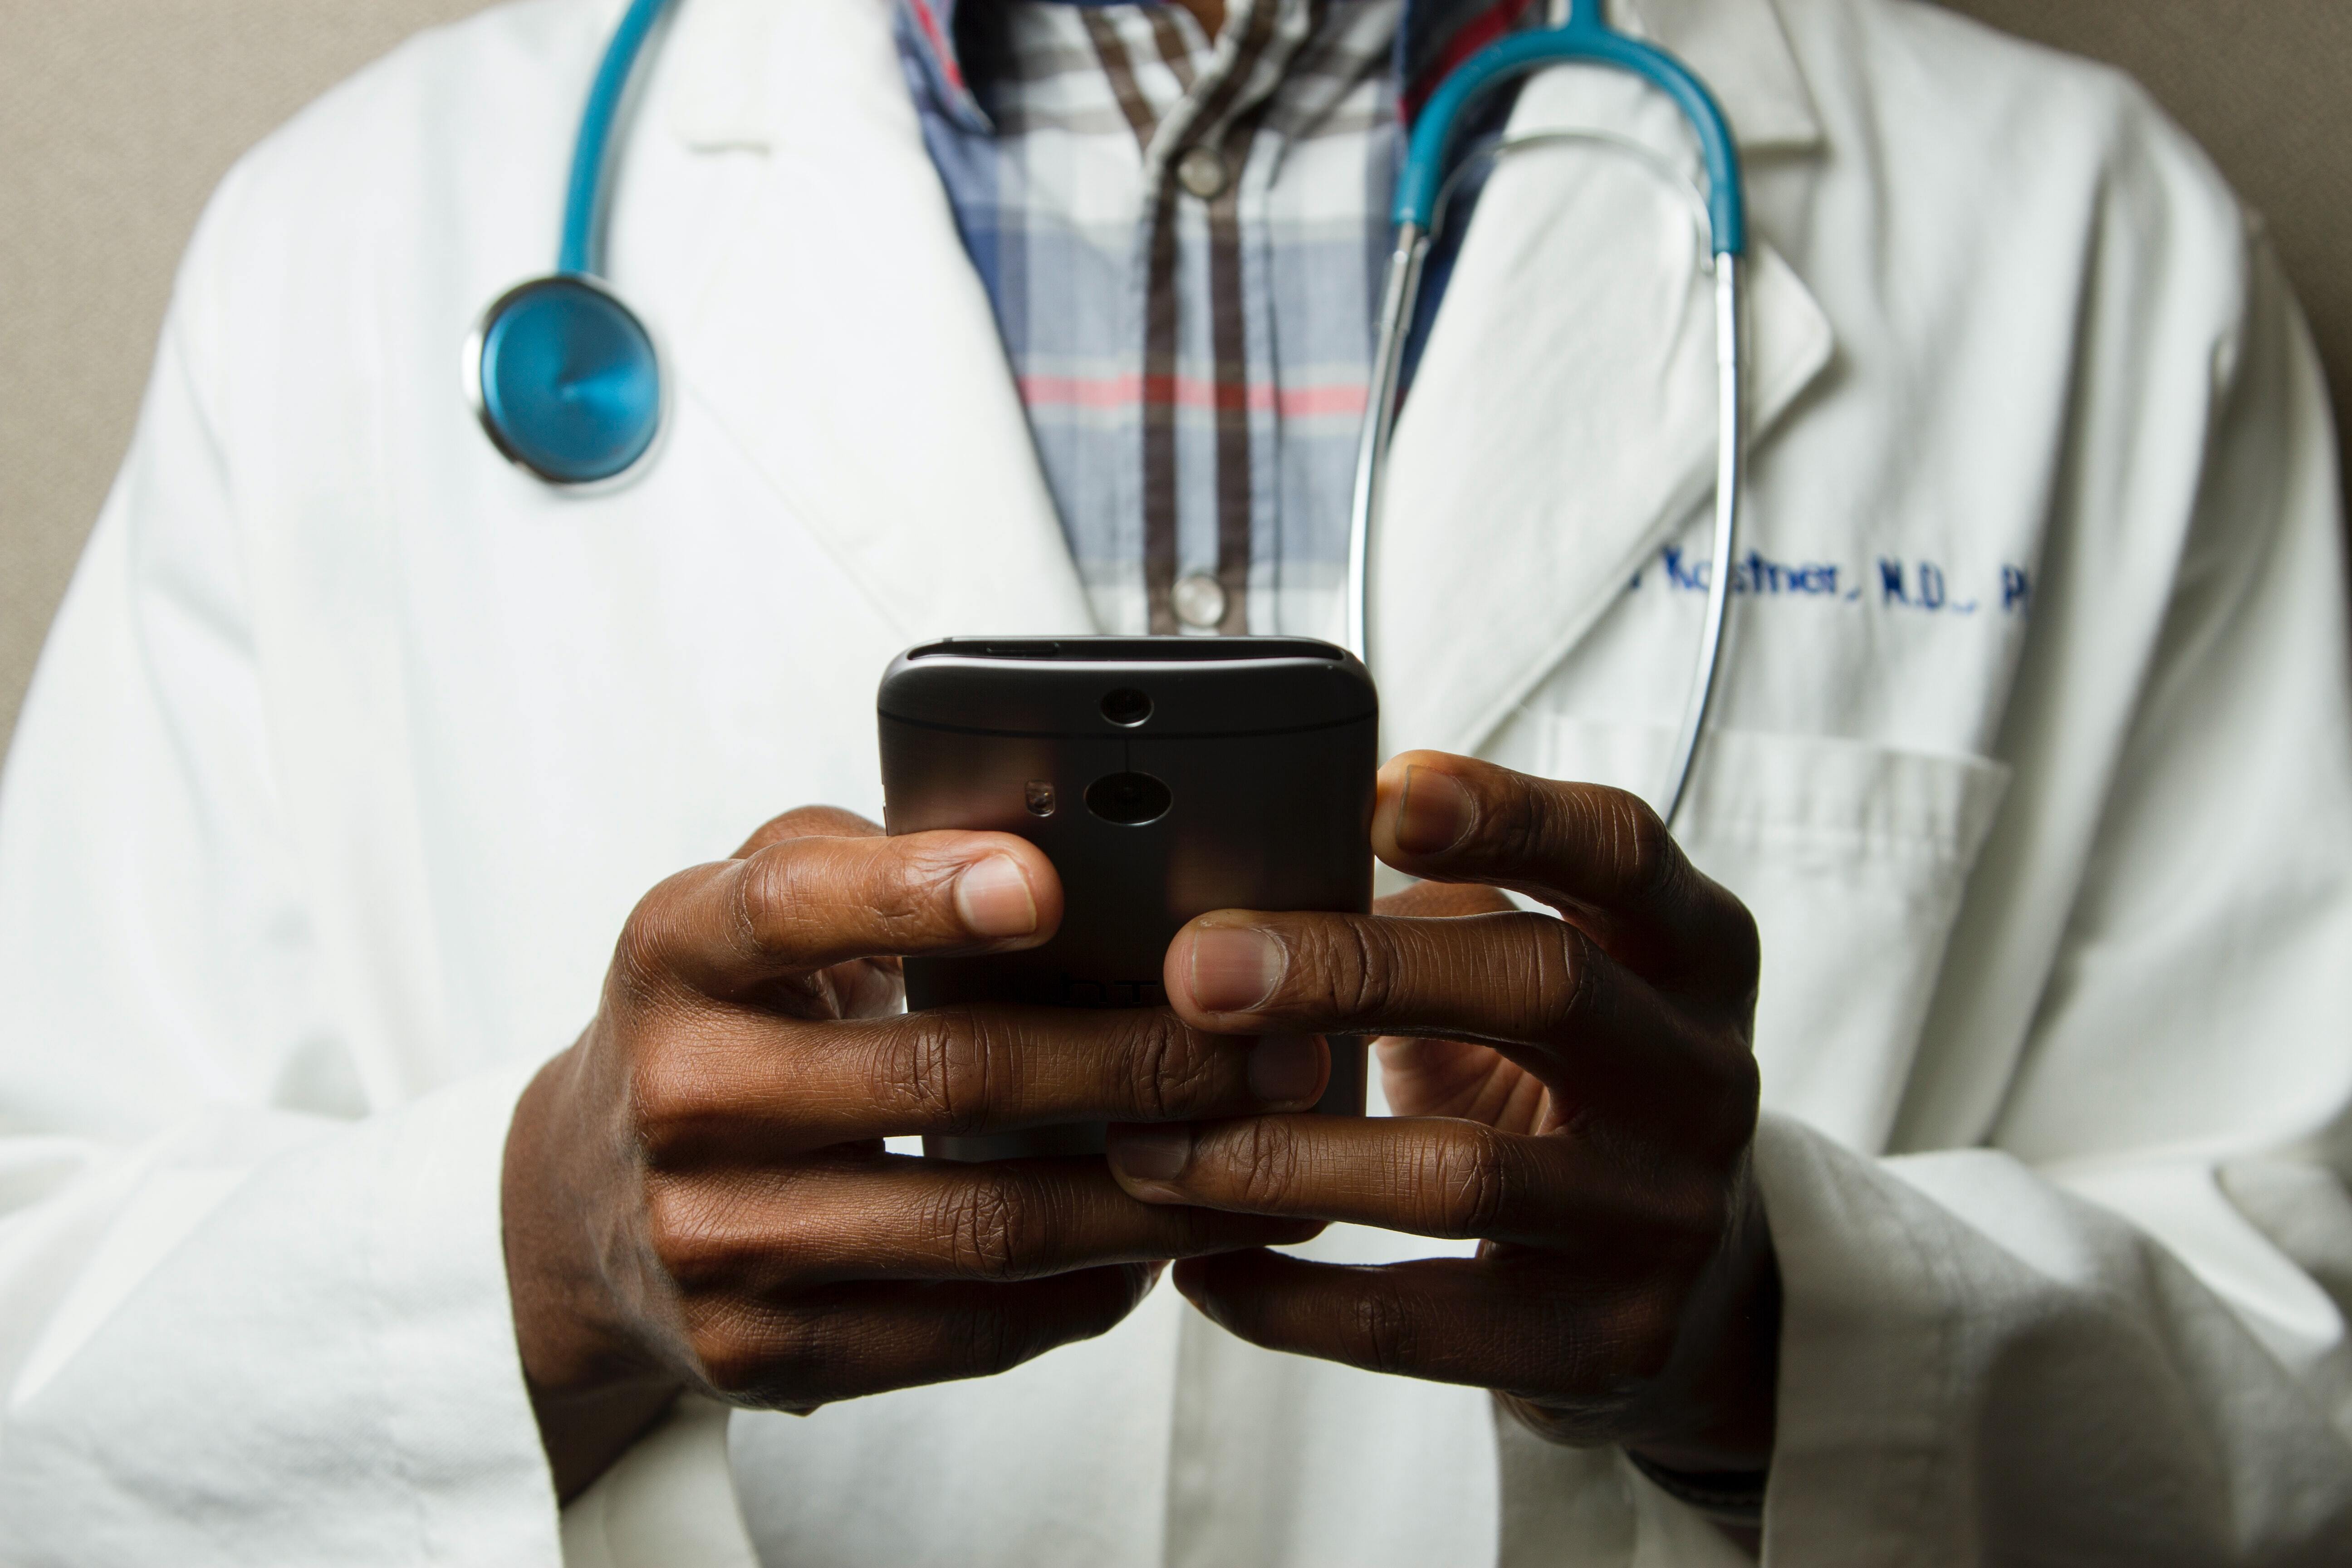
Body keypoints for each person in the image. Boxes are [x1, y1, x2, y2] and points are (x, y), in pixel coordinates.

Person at [1, 0, 2348, 1560]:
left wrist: (1778, 1328)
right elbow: (45, 1347)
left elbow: (2308, 1351)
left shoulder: (2095, 255)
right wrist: (540, 1256)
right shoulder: (349, 250)